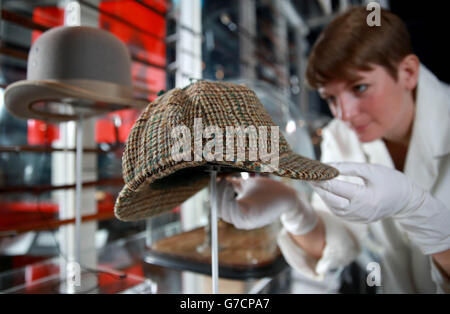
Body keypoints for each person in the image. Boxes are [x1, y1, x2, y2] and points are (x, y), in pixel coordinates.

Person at [216, 7, 450, 293]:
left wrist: (424, 216)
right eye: (330, 98)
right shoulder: (340, 137)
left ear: (408, 73)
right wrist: (293, 208)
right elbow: (342, 241)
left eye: (360, 87)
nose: (344, 114)